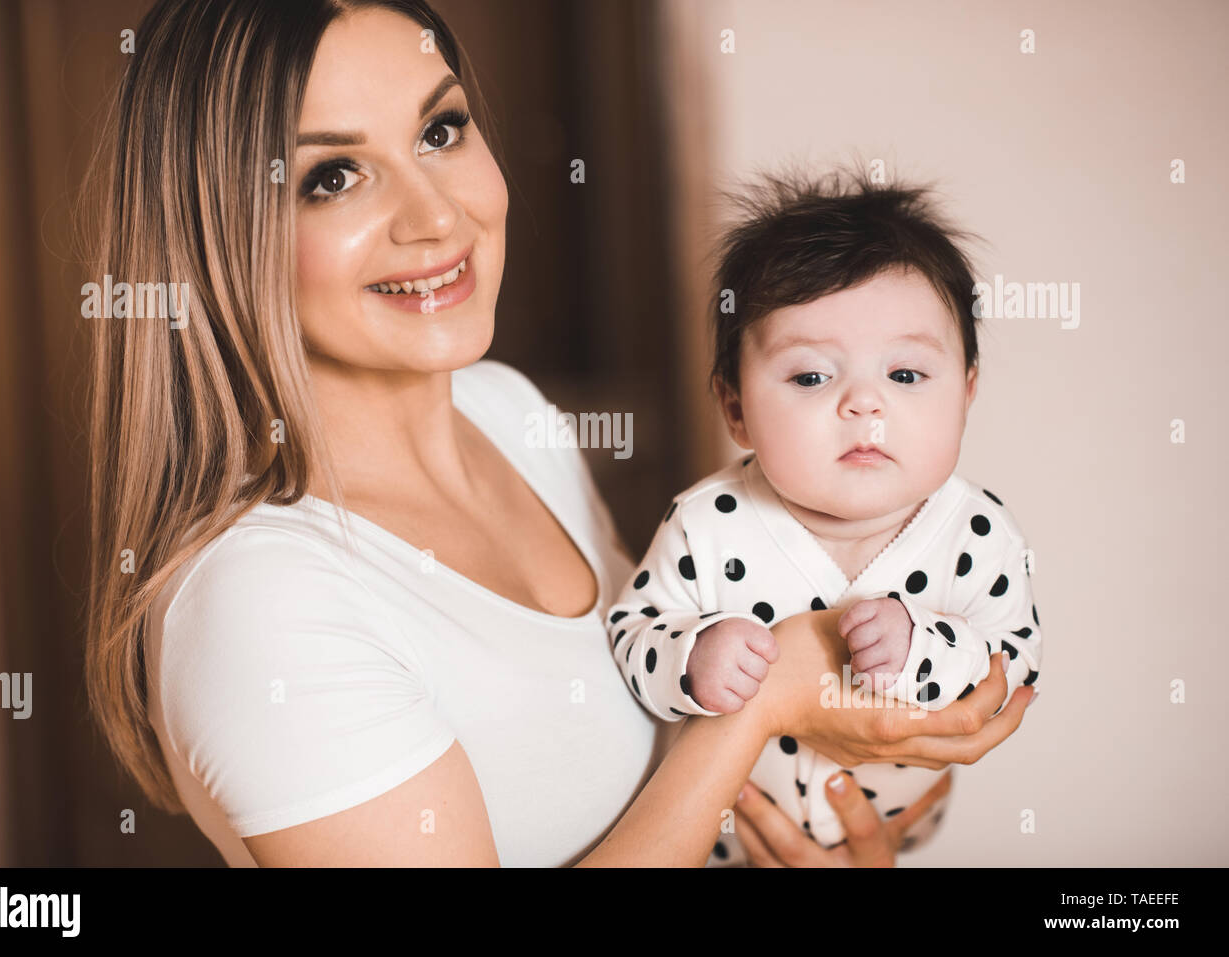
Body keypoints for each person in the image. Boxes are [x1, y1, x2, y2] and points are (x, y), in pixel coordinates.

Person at [82, 0, 1033, 868]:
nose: (436, 214)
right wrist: (778, 688)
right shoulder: (259, 601)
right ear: (216, 235)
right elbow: (737, 715)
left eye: (440, 129)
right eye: (333, 176)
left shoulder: (509, 412)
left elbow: (664, 738)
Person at [609, 168, 1042, 863]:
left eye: (904, 374)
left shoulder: (978, 529)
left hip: (881, 838)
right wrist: (691, 654)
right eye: (812, 376)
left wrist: (923, 645)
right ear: (736, 408)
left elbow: (1012, 661)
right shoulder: (707, 521)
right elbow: (632, 630)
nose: (864, 404)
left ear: (966, 391)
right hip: (713, 837)